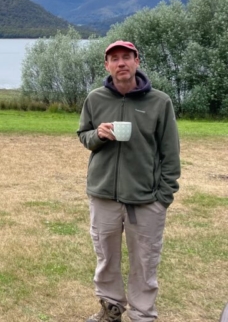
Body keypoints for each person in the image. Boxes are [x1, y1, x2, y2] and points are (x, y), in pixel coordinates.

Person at [77, 41, 181, 322]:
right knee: (106, 258)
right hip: (103, 196)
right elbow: (84, 136)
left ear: (137, 62)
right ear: (106, 66)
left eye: (126, 57)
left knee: (145, 261)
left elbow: (170, 154)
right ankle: (111, 309)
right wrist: (97, 135)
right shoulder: (95, 99)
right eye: (114, 59)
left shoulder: (160, 102)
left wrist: (163, 198)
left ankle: (143, 315)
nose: (121, 63)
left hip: (146, 200)